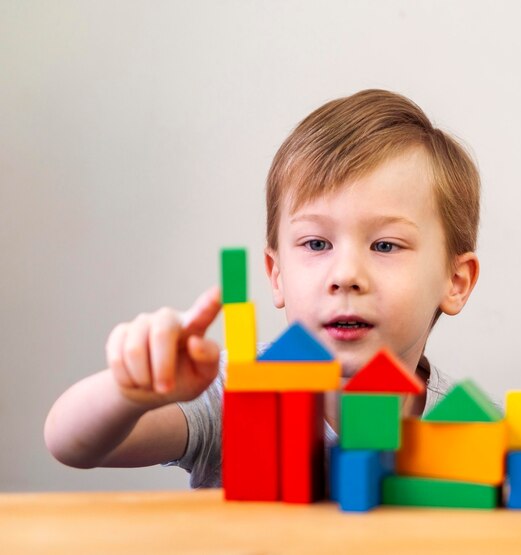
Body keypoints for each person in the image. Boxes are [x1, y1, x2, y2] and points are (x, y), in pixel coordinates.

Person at [44, 89, 481, 487]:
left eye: (385, 245)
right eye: (316, 243)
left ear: (455, 283)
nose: (345, 274)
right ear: (276, 275)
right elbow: (71, 443)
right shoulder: (235, 393)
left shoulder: (465, 431)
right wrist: (131, 391)